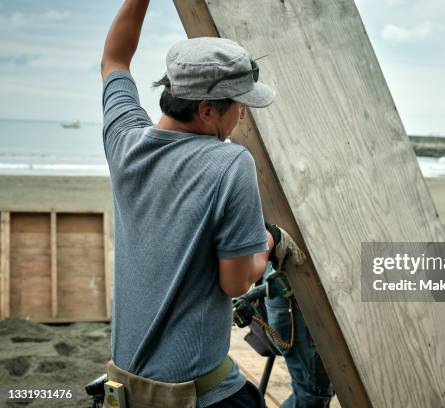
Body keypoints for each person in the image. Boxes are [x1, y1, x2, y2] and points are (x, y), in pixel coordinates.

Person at [100, 1, 305, 407]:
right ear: (207, 110)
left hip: (124, 388)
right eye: (238, 104)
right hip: (196, 395)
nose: (243, 115)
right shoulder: (230, 163)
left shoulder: (124, 142)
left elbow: (114, 59)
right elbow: (236, 282)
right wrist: (267, 241)